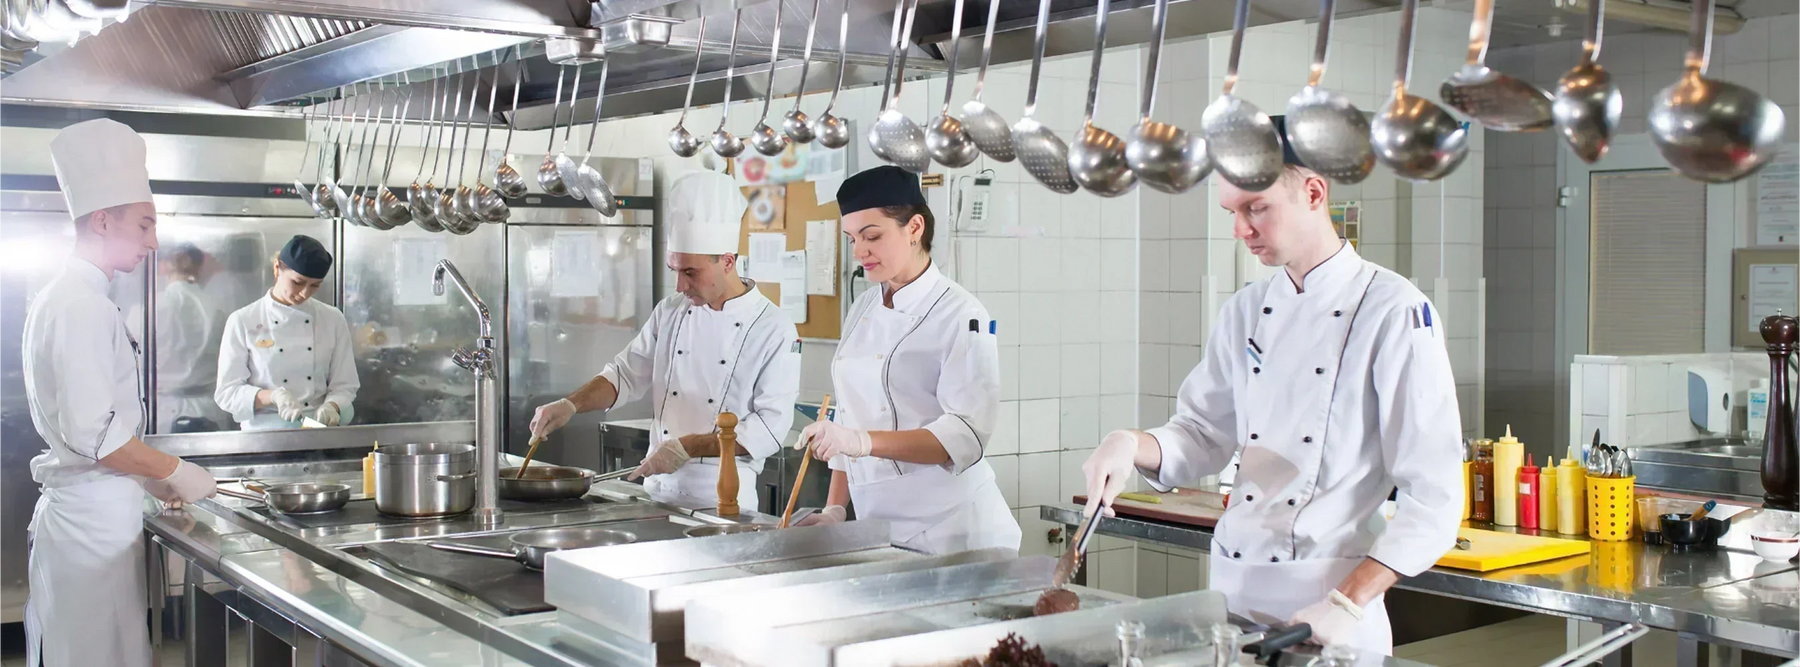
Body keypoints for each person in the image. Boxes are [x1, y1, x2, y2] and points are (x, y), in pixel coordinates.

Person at [1080, 154, 1463, 653]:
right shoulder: (1244, 309)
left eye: (1256, 209)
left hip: (1330, 608)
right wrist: (1129, 443)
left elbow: (1434, 497)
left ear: (1313, 193)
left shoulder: (1394, 310)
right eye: (1231, 213)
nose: (1241, 229)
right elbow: (1202, 434)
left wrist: (1348, 603)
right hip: (1234, 597)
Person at [24, 118, 218, 667]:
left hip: (95, 523)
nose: (154, 242)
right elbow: (99, 437)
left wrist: (147, 480)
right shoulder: (81, 306)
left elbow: (97, 429)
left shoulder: (72, 296)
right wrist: (172, 469)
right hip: (90, 538)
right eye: (144, 225)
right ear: (104, 221)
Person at [530, 169, 799, 509]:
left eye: (691, 273)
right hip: (657, 493)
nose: (680, 286)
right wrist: (570, 404)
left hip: (724, 501)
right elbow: (624, 375)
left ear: (727, 262)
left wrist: (688, 447)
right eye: (675, 270)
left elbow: (769, 428)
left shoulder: (773, 328)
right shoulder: (671, 310)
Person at [794, 166, 1019, 555]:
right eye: (852, 239)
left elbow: (962, 437)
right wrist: (835, 509)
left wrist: (860, 442)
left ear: (914, 227)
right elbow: (850, 415)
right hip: (879, 526)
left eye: (872, 236)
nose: (860, 251)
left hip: (954, 532)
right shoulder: (863, 306)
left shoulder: (962, 314)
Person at [214, 235, 360, 430]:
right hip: (264, 435)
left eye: (315, 285)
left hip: (318, 431)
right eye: (298, 282)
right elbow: (227, 392)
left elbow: (345, 383)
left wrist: (332, 406)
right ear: (277, 269)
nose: (304, 293)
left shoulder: (332, 319)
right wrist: (272, 396)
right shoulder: (243, 320)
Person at [155, 243, 230, 433]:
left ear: (166, 265)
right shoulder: (219, 308)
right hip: (210, 410)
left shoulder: (149, 309)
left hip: (163, 412)